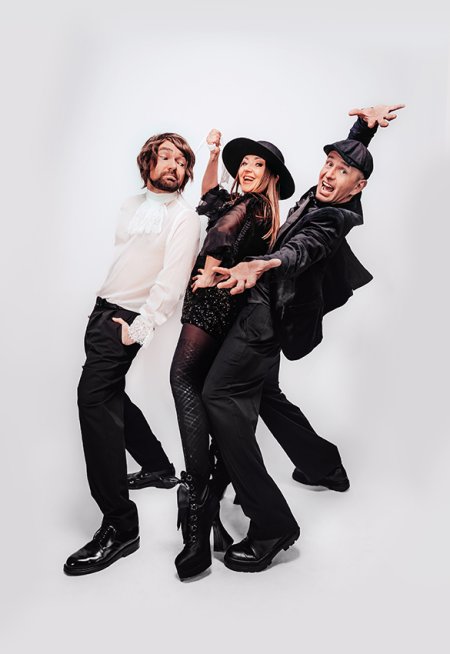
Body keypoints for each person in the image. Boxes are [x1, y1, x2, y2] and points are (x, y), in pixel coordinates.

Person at [202, 104, 404, 573]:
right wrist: (363, 130)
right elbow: (348, 162)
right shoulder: (327, 191)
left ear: (360, 187)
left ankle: (272, 525)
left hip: (264, 318)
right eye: (328, 164)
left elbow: (301, 249)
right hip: (270, 310)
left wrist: (262, 263)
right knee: (265, 394)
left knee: (219, 396)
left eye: (343, 171)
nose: (330, 174)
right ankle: (323, 466)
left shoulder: (334, 220)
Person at [64, 133, 200, 576]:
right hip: (103, 310)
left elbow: (171, 282)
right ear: (148, 162)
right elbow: (128, 257)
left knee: (93, 400)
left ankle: (121, 526)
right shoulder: (131, 205)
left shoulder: (183, 217)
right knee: (108, 394)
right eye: (166, 157)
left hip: (127, 320)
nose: (174, 165)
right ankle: (158, 466)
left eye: (182, 161)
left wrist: (139, 328)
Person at [169, 132, 296, 580]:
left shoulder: (253, 205)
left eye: (258, 164)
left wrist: (206, 273)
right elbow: (209, 196)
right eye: (243, 163)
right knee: (207, 392)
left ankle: (198, 500)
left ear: (271, 176)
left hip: (212, 299)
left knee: (182, 379)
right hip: (231, 307)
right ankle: (209, 514)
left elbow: (221, 232)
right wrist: (212, 155)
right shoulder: (244, 203)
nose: (247, 168)